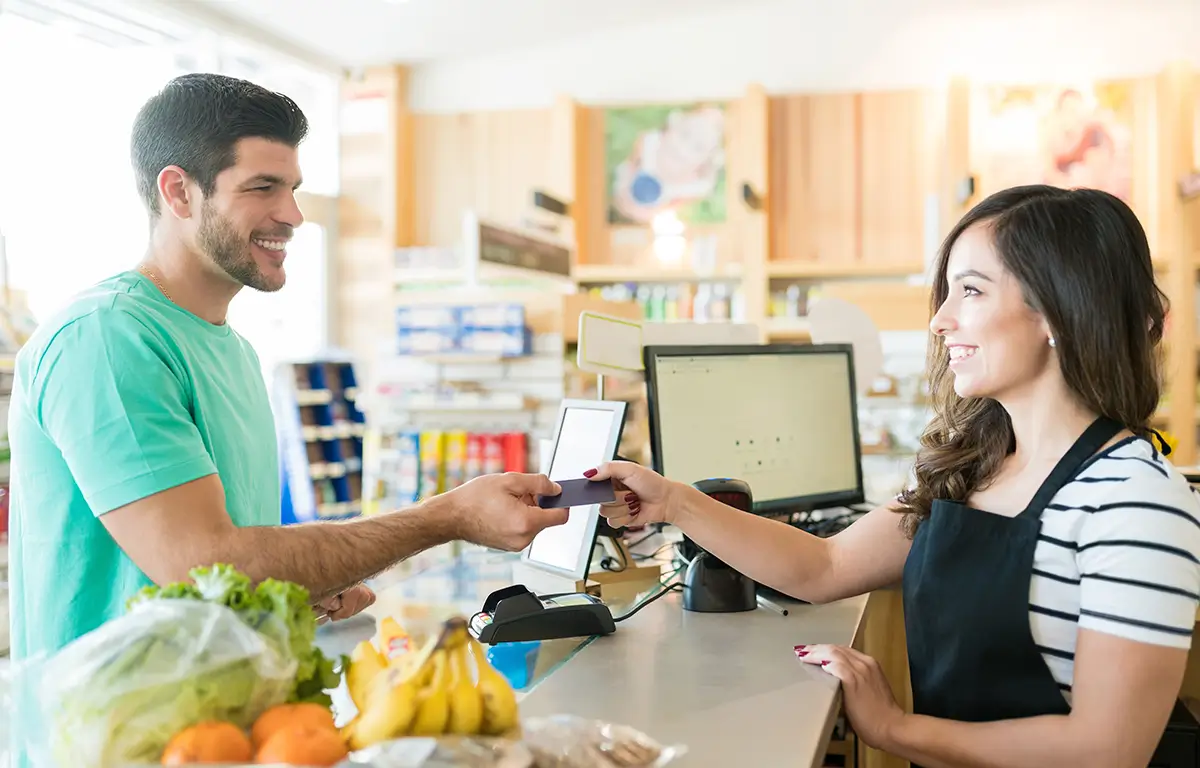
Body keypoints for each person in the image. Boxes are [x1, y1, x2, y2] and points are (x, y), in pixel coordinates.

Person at [587, 185, 1200, 767]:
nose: (940, 321)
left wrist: (892, 728)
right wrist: (674, 501)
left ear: (1057, 313)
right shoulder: (974, 466)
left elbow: (1106, 750)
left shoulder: (1135, 498)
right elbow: (822, 568)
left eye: (972, 291)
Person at [7, 73, 567, 664]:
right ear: (178, 193)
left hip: (223, 727)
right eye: (263, 187)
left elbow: (238, 570)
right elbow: (205, 565)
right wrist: (445, 516)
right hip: (110, 742)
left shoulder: (234, 351)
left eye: (294, 187)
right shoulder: (107, 337)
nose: (293, 214)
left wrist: (304, 584)